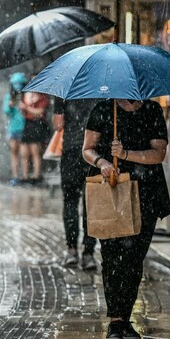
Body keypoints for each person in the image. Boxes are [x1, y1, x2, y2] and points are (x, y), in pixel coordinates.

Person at [82, 99, 170, 339]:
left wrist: (125, 154)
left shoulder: (152, 110)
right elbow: (88, 149)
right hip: (111, 193)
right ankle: (115, 321)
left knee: (133, 259)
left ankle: (126, 316)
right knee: (111, 257)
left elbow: (159, 153)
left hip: (146, 195)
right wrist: (102, 162)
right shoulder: (103, 109)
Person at [52, 97, 99, 270]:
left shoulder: (65, 90)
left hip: (71, 152)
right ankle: (88, 253)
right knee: (91, 204)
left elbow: (58, 125)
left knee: (70, 201)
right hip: (94, 154)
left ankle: (72, 251)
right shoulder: (101, 87)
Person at [19, 81, 50, 184]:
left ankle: (37, 175)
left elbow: (40, 112)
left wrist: (28, 108)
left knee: (35, 152)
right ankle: (25, 176)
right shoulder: (26, 96)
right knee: (24, 152)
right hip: (27, 124)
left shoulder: (42, 97)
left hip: (37, 125)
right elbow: (23, 111)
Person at [3, 72, 27, 186]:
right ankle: (15, 176)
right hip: (13, 128)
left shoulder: (26, 96)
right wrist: (10, 105)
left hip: (24, 127)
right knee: (14, 153)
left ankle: (25, 176)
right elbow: (6, 111)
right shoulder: (8, 97)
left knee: (24, 154)